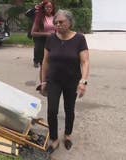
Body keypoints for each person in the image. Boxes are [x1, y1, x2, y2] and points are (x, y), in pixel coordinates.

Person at [40, 9, 90, 154]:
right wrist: (43, 82)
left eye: (61, 22)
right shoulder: (51, 38)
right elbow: (45, 61)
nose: (58, 25)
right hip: (54, 81)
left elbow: (85, 62)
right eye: (56, 22)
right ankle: (54, 139)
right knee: (52, 110)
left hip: (71, 81)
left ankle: (67, 135)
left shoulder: (79, 38)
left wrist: (83, 82)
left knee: (69, 110)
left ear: (70, 22)